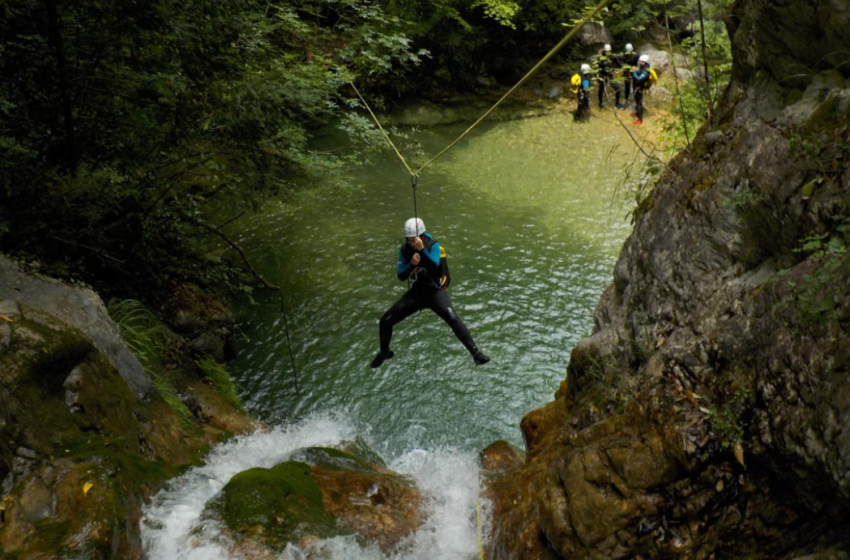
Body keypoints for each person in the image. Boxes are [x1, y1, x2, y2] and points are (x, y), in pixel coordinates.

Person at [370, 218, 490, 368]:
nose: (411, 242)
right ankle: (384, 353)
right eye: (408, 240)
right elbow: (401, 276)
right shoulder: (404, 250)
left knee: (452, 317)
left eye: (414, 239)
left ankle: (476, 353)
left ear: (421, 236)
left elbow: (434, 266)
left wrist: (421, 250)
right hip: (416, 295)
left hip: (434, 293)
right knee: (385, 321)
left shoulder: (434, 245)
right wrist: (411, 264)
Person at [595, 44, 621, 109]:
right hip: (602, 75)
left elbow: (618, 64)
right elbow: (598, 67)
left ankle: (617, 103)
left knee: (617, 88)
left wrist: (616, 70)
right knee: (601, 89)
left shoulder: (612, 57)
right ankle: (600, 103)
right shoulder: (600, 57)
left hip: (610, 75)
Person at [631, 54, 651, 126]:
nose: (639, 62)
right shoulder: (642, 67)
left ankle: (640, 119)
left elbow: (639, 79)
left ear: (645, 62)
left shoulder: (646, 70)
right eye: (639, 61)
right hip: (636, 87)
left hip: (640, 88)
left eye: (641, 61)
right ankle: (637, 112)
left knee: (639, 103)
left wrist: (633, 72)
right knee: (636, 100)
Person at [619, 43, 638, 108]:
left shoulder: (624, 56)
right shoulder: (636, 55)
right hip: (632, 71)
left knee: (627, 85)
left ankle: (627, 98)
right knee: (634, 84)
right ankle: (633, 97)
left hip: (627, 71)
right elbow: (636, 64)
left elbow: (622, 64)